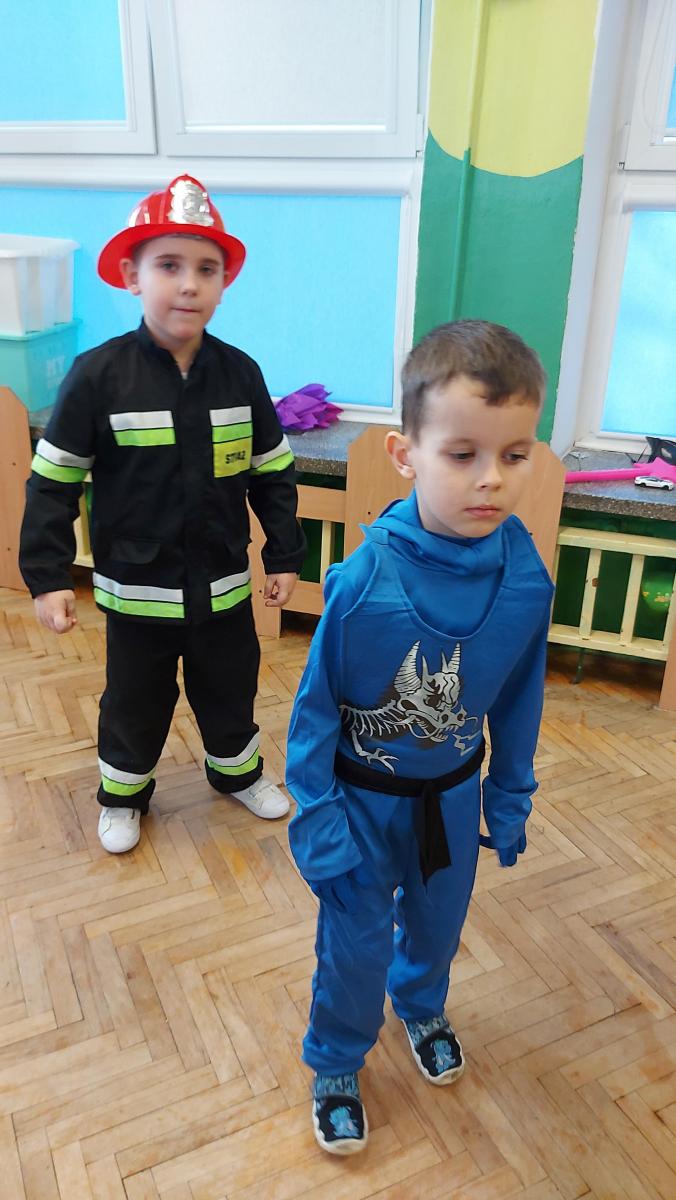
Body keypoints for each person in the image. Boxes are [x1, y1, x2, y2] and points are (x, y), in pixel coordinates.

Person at [286, 319, 554, 1155]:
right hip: (363, 807)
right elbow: (313, 712)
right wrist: (317, 818)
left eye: (515, 455)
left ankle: (422, 1006)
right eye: (462, 454)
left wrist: (508, 796)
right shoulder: (366, 581)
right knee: (355, 946)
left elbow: (520, 699)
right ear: (407, 455)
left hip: (452, 797)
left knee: (436, 928)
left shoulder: (526, 579)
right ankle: (337, 1059)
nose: (491, 479)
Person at [20, 174, 305, 853]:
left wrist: (285, 554)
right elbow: (53, 484)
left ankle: (237, 774)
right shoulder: (97, 377)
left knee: (230, 688)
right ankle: (123, 796)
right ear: (132, 275)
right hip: (136, 593)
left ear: (224, 283)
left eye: (206, 269)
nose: (188, 285)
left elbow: (272, 474)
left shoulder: (241, 374)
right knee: (135, 700)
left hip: (223, 587)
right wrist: (48, 576)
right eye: (168, 266)